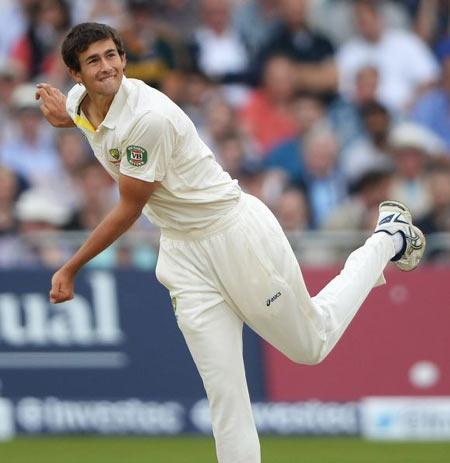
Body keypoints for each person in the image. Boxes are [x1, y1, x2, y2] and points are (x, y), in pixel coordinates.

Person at [36, 22, 426, 463]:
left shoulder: (149, 118)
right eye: (93, 61)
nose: (106, 67)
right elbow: (86, 117)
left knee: (311, 346)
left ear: (124, 58)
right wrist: (66, 118)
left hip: (234, 234)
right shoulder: (80, 102)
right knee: (224, 396)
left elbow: (128, 209)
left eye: (111, 56)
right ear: (76, 75)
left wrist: (71, 267)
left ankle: (387, 237)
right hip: (183, 254)